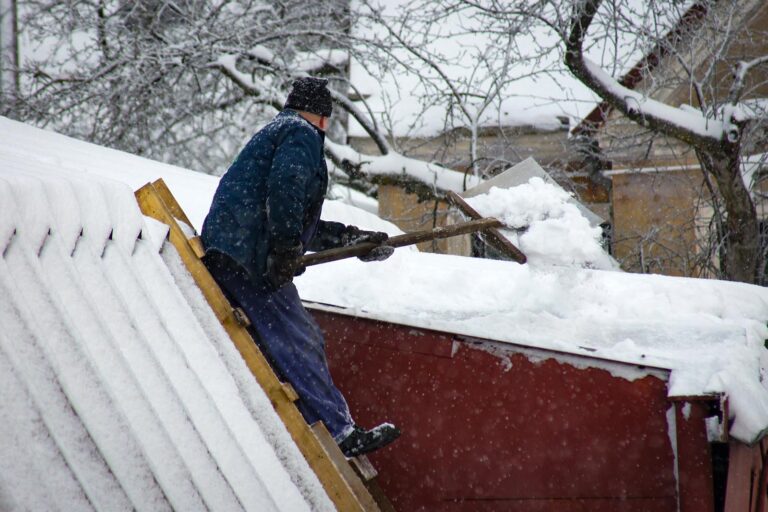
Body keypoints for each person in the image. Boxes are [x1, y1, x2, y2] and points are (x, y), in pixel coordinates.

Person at [200, 77, 401, 457]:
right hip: (249, 258)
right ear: (324, 118)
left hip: (235, 250)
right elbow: (287, 191)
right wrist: (285, 251)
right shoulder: (300, 134)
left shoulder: (278, 133)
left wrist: (353, 240)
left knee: (286, 340)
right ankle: (339, 432)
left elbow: (294, 214)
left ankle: (319, 424)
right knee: (300, 337)